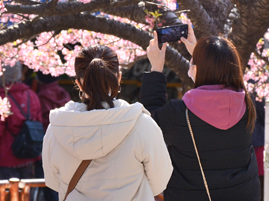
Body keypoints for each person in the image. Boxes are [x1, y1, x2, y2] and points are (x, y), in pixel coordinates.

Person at [141, 25, 260, 201]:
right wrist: (200, 57)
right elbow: (215, 88)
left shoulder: (179, 114)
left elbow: (148, 123)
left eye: (193, 63)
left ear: (197, 69)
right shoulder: (247, 106)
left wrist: (156, 69)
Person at [42, 45, 172, 200]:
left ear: (79, 83)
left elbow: (53, 182)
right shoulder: (141, 124)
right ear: (118, 78)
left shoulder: (57, 127)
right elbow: (160, 182)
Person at [0, 61, 43, 180]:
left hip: (7, 156)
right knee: (26, 194)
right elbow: (38, 124)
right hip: (29, 154)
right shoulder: (31, 95)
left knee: (9, 194)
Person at [34, 72, 71, 201]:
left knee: (48, 184)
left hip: (46, 146)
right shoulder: (64, 95)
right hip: (65, 145)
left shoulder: (39, 97)